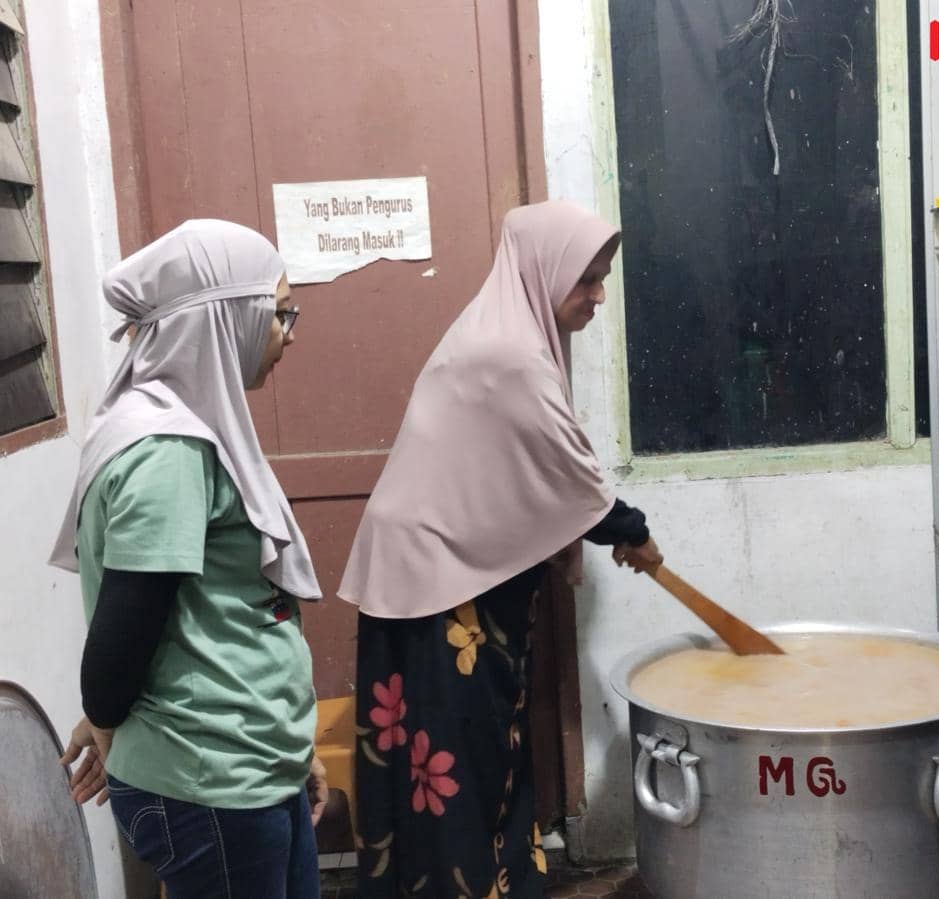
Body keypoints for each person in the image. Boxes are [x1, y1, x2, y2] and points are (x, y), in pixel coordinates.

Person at [338, 200, 662, 898]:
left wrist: (620, 528)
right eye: (588, 280)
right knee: (450, 761)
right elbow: (572, 477)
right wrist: (632, 532)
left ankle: (486, 880)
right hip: (436, 590)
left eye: (602, 279)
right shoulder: (510, 354)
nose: (599, 296)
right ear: (544, 273)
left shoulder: (510, 337)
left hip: (449, 577)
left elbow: (542, 474)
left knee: (479, 751)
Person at [51, 219, 329, 898]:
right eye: (279, 312)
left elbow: (183, 619)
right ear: (225, 319)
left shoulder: (185, 433)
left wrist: (292, 750)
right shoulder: (168, 452)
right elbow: (117, 653)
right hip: (214, 785)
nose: (289, 331)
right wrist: (110, 715)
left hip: (246, 768)